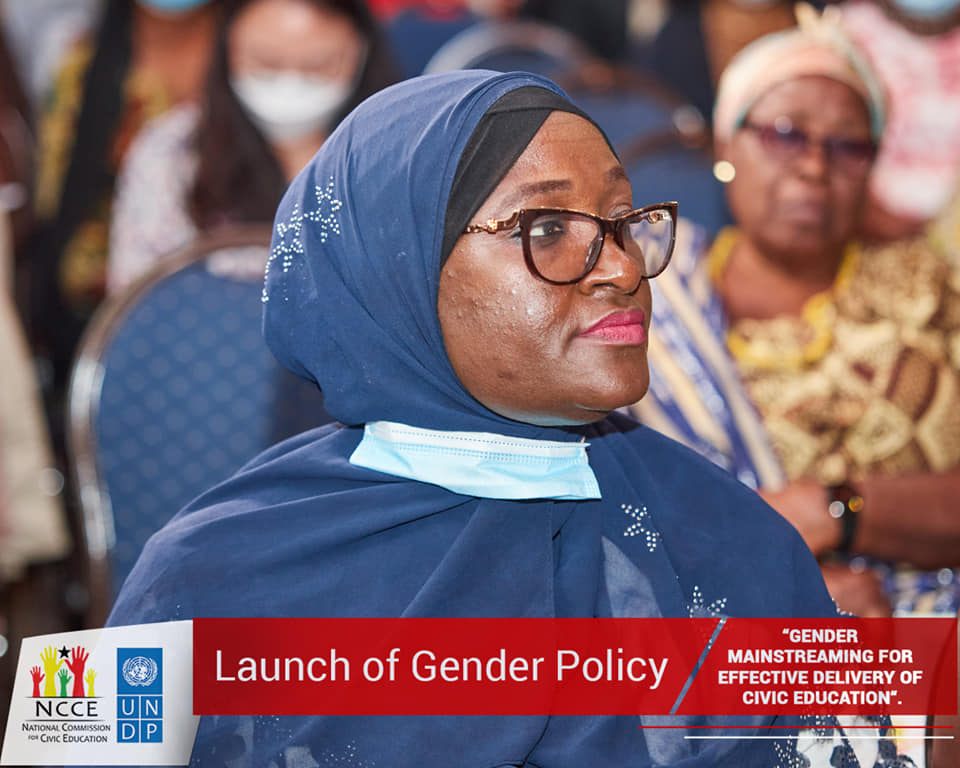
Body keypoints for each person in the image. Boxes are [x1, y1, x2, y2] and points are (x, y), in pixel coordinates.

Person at [107, 69, 899, 766]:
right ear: (398, 270)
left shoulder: (728, 539)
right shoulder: (206, 575)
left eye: (624, 221)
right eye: (546, 230)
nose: (621, 267)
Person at [632, 4, 960, 619]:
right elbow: (611, 517)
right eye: (785, 134)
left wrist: (833, 510)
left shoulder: (929, 288)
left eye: (848, 145)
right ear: (726, 142)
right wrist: (773, 592)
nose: (814, 166)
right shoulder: (652, 293)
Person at [107, 0, 396, 294]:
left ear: (362, 52)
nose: (291, 84)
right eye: (266, 64)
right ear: (228, 49)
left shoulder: (399, 156)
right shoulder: (172, 152)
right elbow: (137, 298)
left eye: (318, 66)